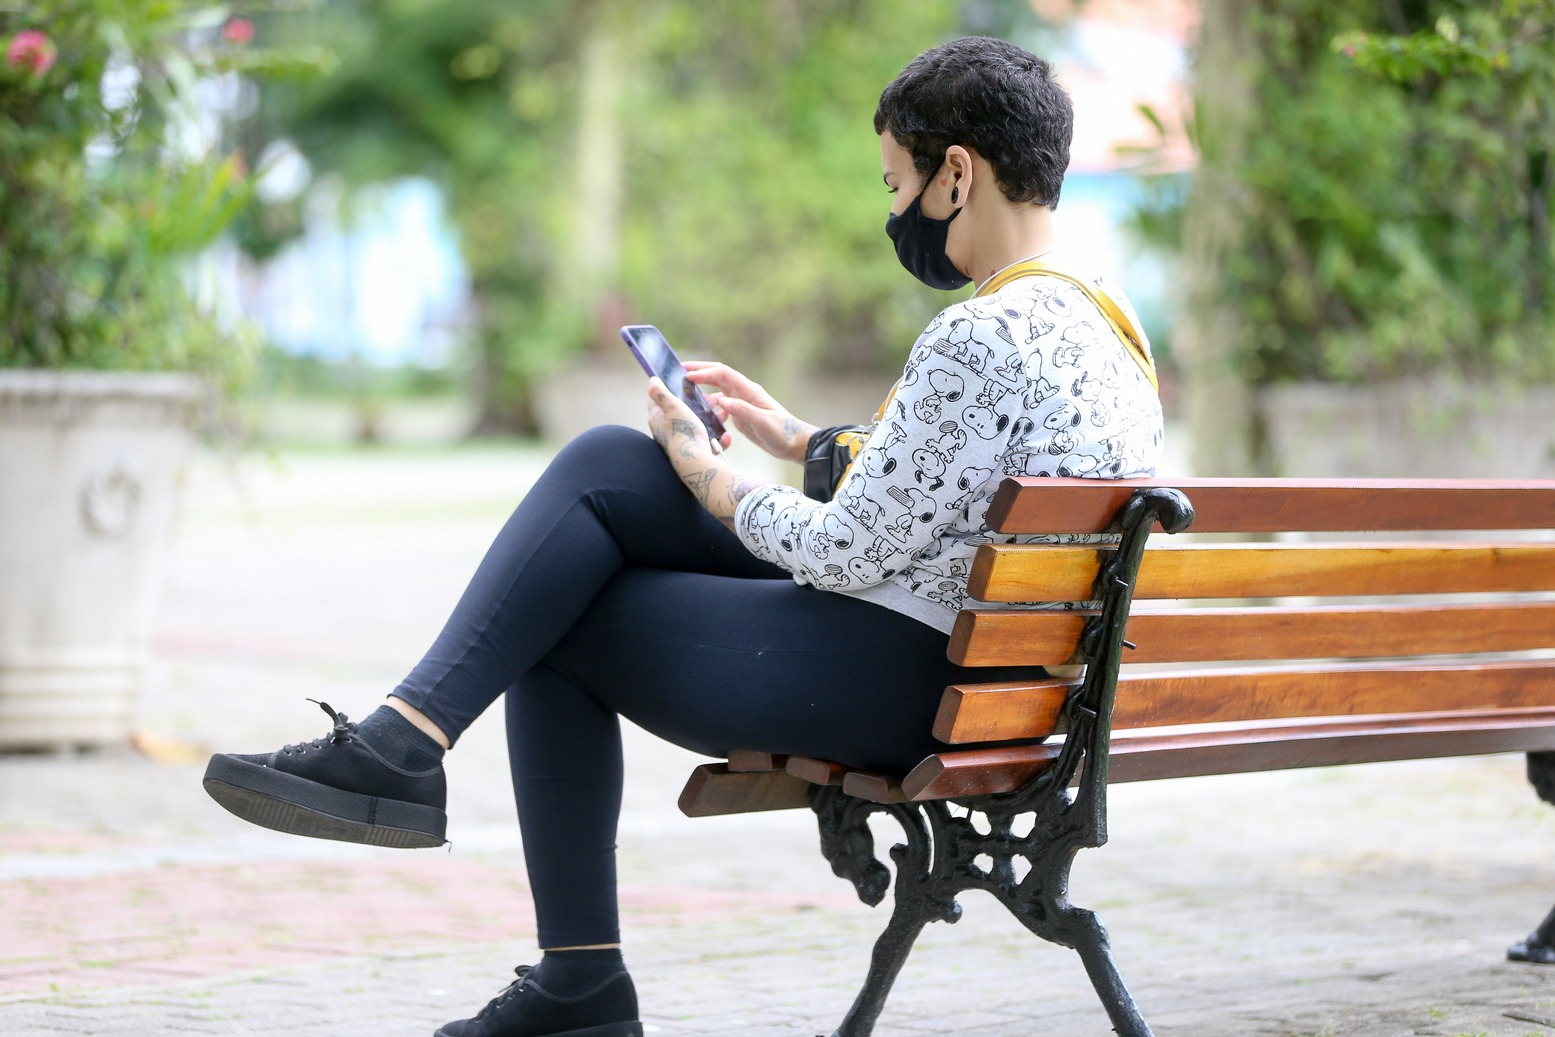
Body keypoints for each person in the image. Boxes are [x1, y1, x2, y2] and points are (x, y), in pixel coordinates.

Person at [201, 35, 1163, 1037]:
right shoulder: (1106, 327)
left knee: (553, 609)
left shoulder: (978, 332)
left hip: (904, 677)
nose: (892, 213)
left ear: (955, 172)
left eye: (895, 183)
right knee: (610, 465)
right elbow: (949, 493)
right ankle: (408, 743)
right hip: (999, 679)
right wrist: (797, 441)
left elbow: (847, 553)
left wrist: (712, 477)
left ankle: (567, 970)